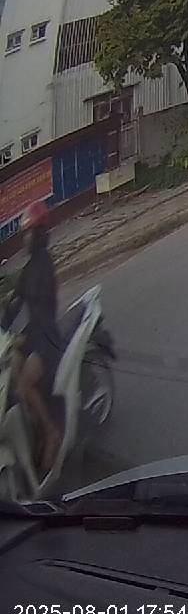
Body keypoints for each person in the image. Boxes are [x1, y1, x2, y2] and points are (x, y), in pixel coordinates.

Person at [2, 202, 63, 478]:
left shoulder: (44, 267)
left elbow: (43, 314)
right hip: (33, 335)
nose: (25, 239)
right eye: (25, 234)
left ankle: (51, 432)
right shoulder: (28, 270)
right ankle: (31, 422)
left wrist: (22, 337)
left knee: (25, 382)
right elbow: (14, 304)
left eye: (29, 233)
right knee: (12, 366)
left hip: (47, 336)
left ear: (39, 235)